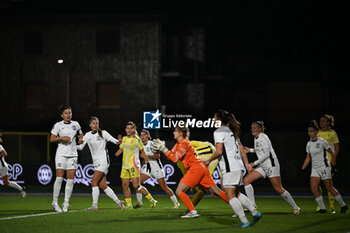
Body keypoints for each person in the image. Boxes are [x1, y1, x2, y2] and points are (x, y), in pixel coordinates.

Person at [153, 126, 231, 219]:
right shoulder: (179, 143)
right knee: (216, 191)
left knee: (179, 191)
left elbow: (174, 159)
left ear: (180, 133)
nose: (173, 132)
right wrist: (163, 149)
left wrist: (163, 149)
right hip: (201, 168)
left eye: (175, 131)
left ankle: (193, 212)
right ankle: (238, 208)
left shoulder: (184, 143)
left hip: (195, 168)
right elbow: (171, 155)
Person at [204, 109, 262, 228]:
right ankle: (255, 213)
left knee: (230, 195)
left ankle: (244, 221)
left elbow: (219, 151)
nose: (214, 120)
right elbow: (240, 149)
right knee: (236, 193)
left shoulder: (219, 132)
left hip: (230, 167)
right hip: (238, 166)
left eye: (215, 118)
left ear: (219, 120)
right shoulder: (231, 131)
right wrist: (246, 164)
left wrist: (208, 160)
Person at [242, 121, 301, 215]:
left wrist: (253, 164)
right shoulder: (256, 138)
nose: (253, 129)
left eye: (255, 127)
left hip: (271, 164)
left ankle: (296, 207)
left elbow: (266, 154)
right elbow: (260, 150)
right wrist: (250, 150)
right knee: (246, 181)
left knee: (278, 189)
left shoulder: (263, 137)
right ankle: (252, 205)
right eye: (252, 127)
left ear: (260, 129)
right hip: (263, 165)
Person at [76, 116, 124, 210]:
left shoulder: (103, 133)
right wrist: (73, 146)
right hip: (96, 163)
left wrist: (119, 141)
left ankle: (94, 205)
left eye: (97, 123)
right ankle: (119, 203)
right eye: (93, 123)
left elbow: (115, 141)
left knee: (94, 182)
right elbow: (81, 147)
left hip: (104, 162)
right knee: (103, 185)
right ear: (90, 125)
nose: (95, 125)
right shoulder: (88, 135)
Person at [301, 120, 348, 214]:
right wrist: (302, 168)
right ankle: (323, 209)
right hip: (315, 168)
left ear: (316, 132)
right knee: (314, 188)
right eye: (309, 131)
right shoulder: (309, 144)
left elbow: (332, 153)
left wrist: (333, 165)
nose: (310, 133)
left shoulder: (323, 142)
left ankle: (343, 205)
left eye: (312, 131)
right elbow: (308, 158)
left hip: (324, 167)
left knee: (329, 188)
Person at [115, 122, 158, 210]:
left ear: (134, 129)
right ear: (125, 129)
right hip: (125, 166)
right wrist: (113, 157)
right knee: (125, 185)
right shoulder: (124, 139)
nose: (129, 130)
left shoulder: (137, 139)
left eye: (131, 128)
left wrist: (147, 163)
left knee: (136, 186)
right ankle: (129, 205)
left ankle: (152, 200)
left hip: (134, 165)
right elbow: (121, 149)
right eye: (127, 128)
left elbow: (142, 152)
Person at [133, 129, 180, 209]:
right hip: (148, 169)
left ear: (148, 136)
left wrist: (146, 156)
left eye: (144, 135)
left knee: (164, 187)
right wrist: (140, 166)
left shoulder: (152, 144)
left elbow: (157, 156)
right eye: (141, 135)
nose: (142, 137)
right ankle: (140, 202)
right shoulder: (141, 146)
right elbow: (144, 159)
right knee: (137, 184)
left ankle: (176, 203)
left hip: (157, 168)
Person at [50, 105, 83, 212]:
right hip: (61, 154)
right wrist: (61, 138)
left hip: (73, 154)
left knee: (70, 179)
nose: (68, 115)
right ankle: (55, 202)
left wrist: (81, 140)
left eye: (70, 112)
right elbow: (52, 139)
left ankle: (66, 202)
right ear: (62, 115)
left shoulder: (76, 124)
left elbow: (80, 136)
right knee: (59, 177)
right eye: (66, 113)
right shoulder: (58, 125)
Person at [176, 140, 219, 207]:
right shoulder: (214, 156)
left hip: (192, 162)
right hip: (195, 164)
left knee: (180, 190)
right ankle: (191, 209)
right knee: (207, 188)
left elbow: (189, 144)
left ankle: (191, 209)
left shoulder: (208, 144)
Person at [318, 114, 340, 213]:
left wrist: (333, 159)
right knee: (317, 183)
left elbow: (336, 147)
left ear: (328, 122)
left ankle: (332, 206)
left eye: (323, 121)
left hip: (328, 161)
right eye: (320, 121)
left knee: (329, 185)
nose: (321, 122)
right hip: (317, 161)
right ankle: (320, 205)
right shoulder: (317, 133)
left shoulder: (332, 133)